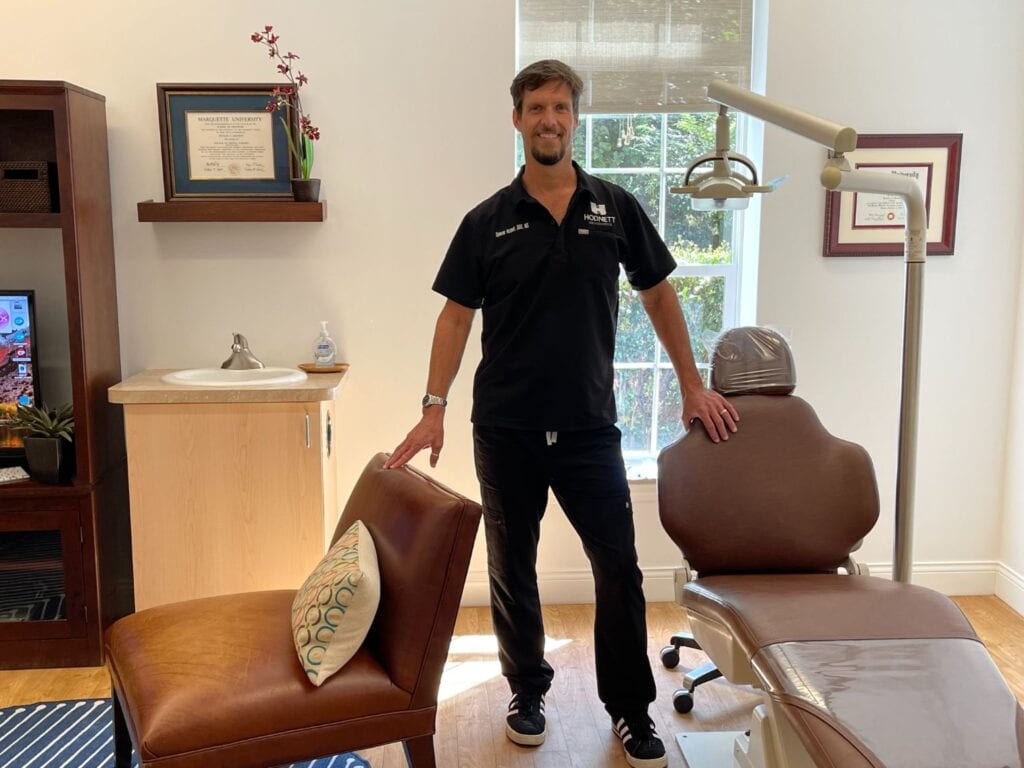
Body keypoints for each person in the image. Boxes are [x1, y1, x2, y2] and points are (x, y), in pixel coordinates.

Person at [386, 59, 739, 768]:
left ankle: (632, 710)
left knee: (619, 570)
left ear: (575, 119)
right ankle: (528, 692)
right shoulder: (486, 221)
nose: (549, 119)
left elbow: (661, 296)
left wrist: (692, 385)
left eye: (561, 107)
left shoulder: (615, 208)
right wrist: (433, 408)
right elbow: (455, 318)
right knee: (512, 567)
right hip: (507, 428)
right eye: (536, 107)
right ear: (516, 119)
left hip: (587, 428)